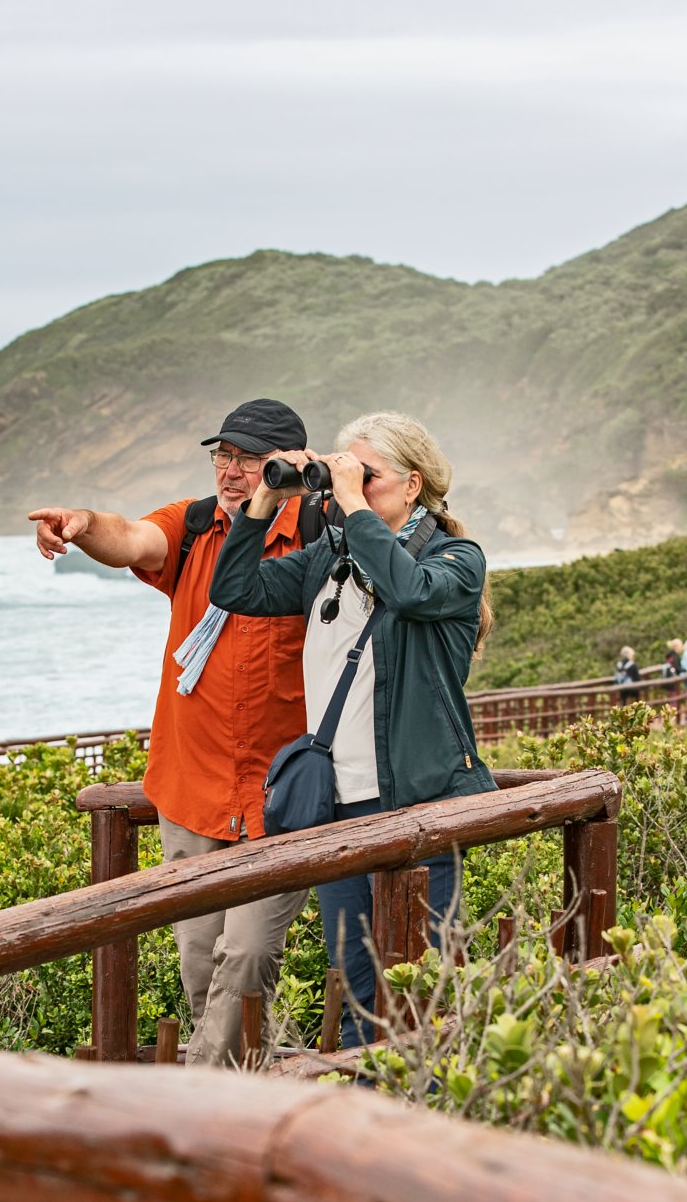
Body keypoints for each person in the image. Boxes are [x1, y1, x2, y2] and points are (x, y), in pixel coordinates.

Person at [29, 399, 319, 1067]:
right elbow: (130, 538)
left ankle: (196, 1104)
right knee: (199, 967)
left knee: (245, 959)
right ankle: (253, 1096)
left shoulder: (318, 538)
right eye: (224, 456)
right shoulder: (194, 527)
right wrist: (80, 525)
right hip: (193, 787)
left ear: (287, 465)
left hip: (280, 797)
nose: (232, 472)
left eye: (249, 460)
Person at [210, 410, 496, 1049]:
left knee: (424, 986)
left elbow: (408, 590)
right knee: (357, 984)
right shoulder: (329, 559)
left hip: (421, 803)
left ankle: (433, 1118)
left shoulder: (455, 559)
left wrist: (347, 504)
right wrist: (264, 500)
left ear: (413, 486)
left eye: (370, 477)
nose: (356, 488)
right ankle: (368, 1121)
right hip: (337, 806)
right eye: (348, 475)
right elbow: (235, 589)